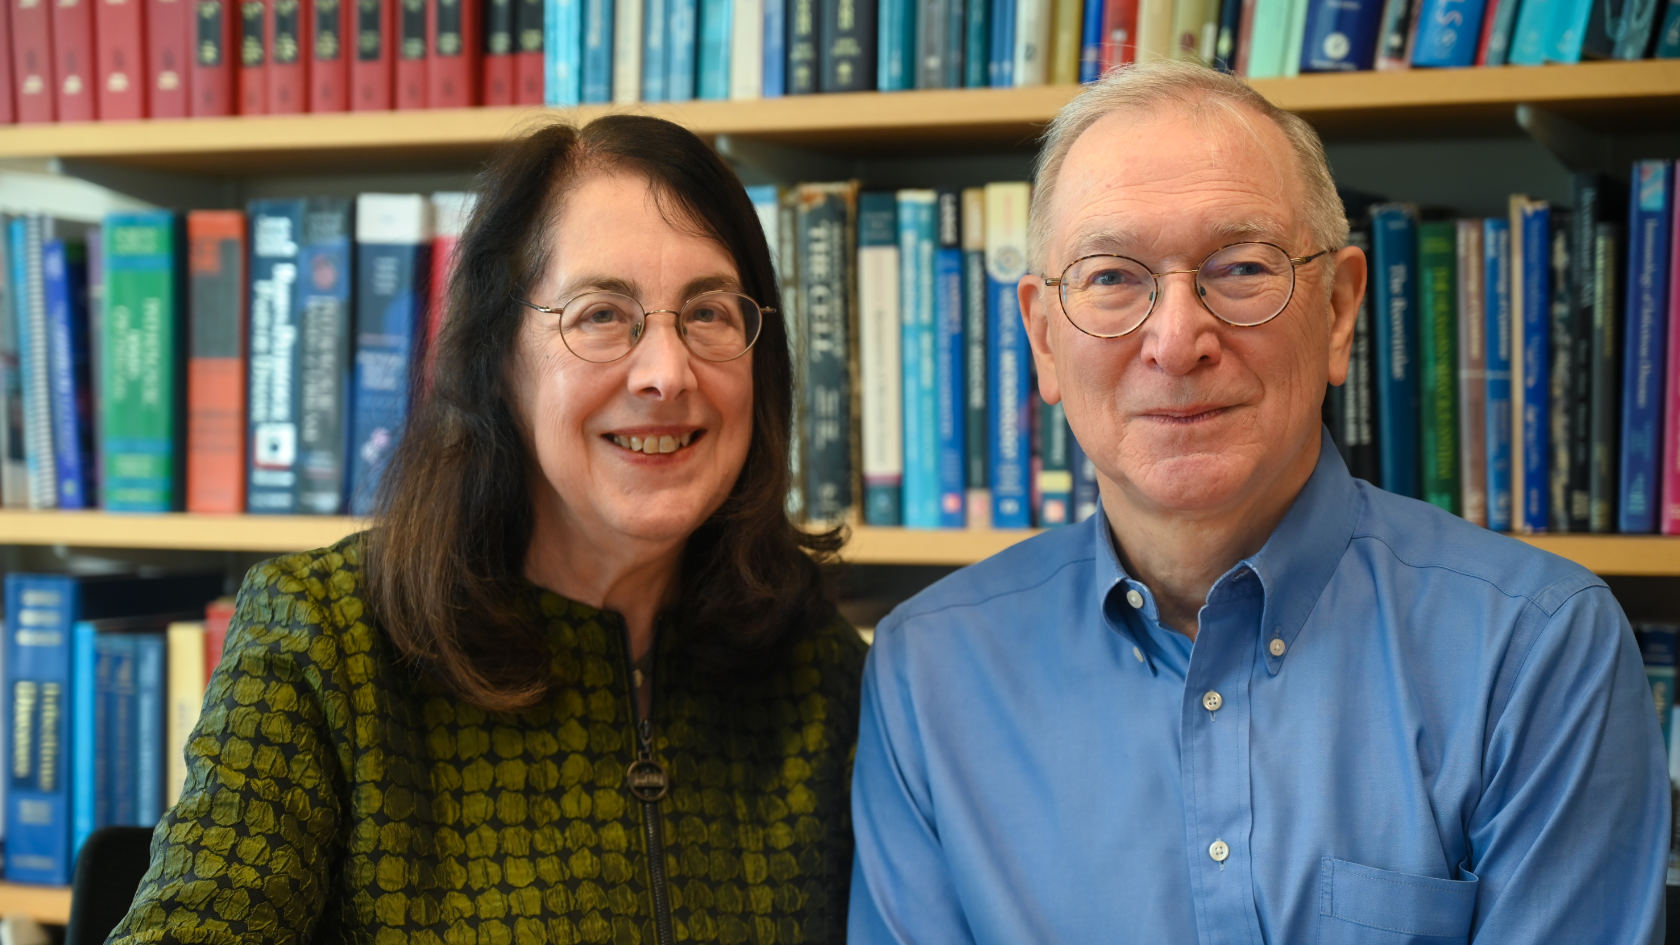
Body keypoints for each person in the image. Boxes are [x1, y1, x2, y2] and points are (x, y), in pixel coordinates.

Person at [847, 59, 1669, 945]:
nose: (1176, 339)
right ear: (1045, 340)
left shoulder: (1536, 650)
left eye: (1240, 267)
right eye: (1113, 277)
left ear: (1342, 308)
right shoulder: (927, 675)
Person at [110, 114, 866, 944]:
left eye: (710, 313)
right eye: (602, 314)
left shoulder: (825, 674)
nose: (666, 373)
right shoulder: (325, 641)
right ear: (499, 356)